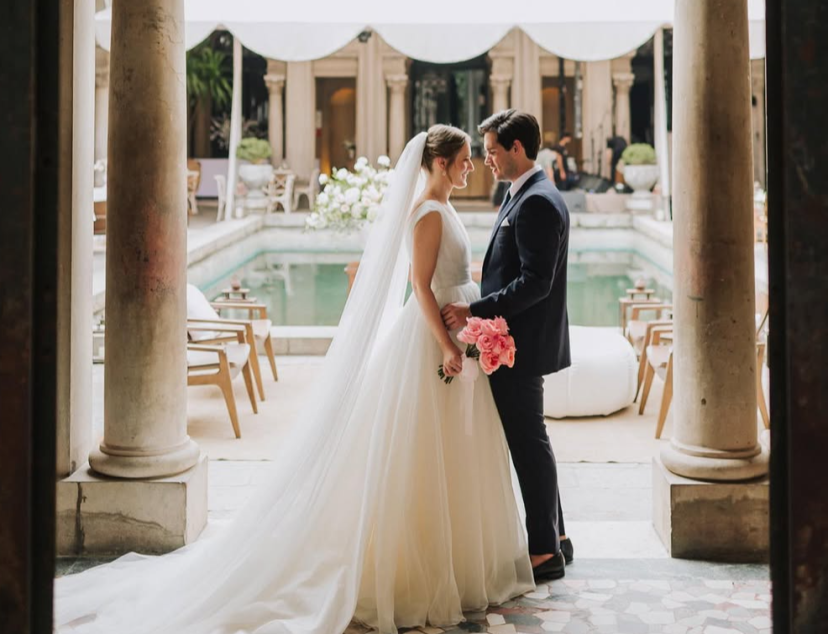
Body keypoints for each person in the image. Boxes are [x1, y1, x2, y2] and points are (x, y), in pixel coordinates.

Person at [55, 126, 534, 634]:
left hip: (460, 330)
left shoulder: (447, 207)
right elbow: (420, 285)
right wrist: (447, 345)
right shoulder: (429, 213)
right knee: (421, 453)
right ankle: (420, 570)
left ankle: (457, 562)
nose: (470, 167)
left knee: (453, 451)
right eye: (463, 160)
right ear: (439, 163)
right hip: (433, 340)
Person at [442, 109, 573, 583]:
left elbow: (535, 282)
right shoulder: (527, 192)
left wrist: (474, 311)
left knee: (528, 444)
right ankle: (556, 537)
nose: (487, 160)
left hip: (520, 344)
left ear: (517, 148)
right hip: (516, 340)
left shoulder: (537, 201)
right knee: (532, 440)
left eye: (493, 151)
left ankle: (544, 552)